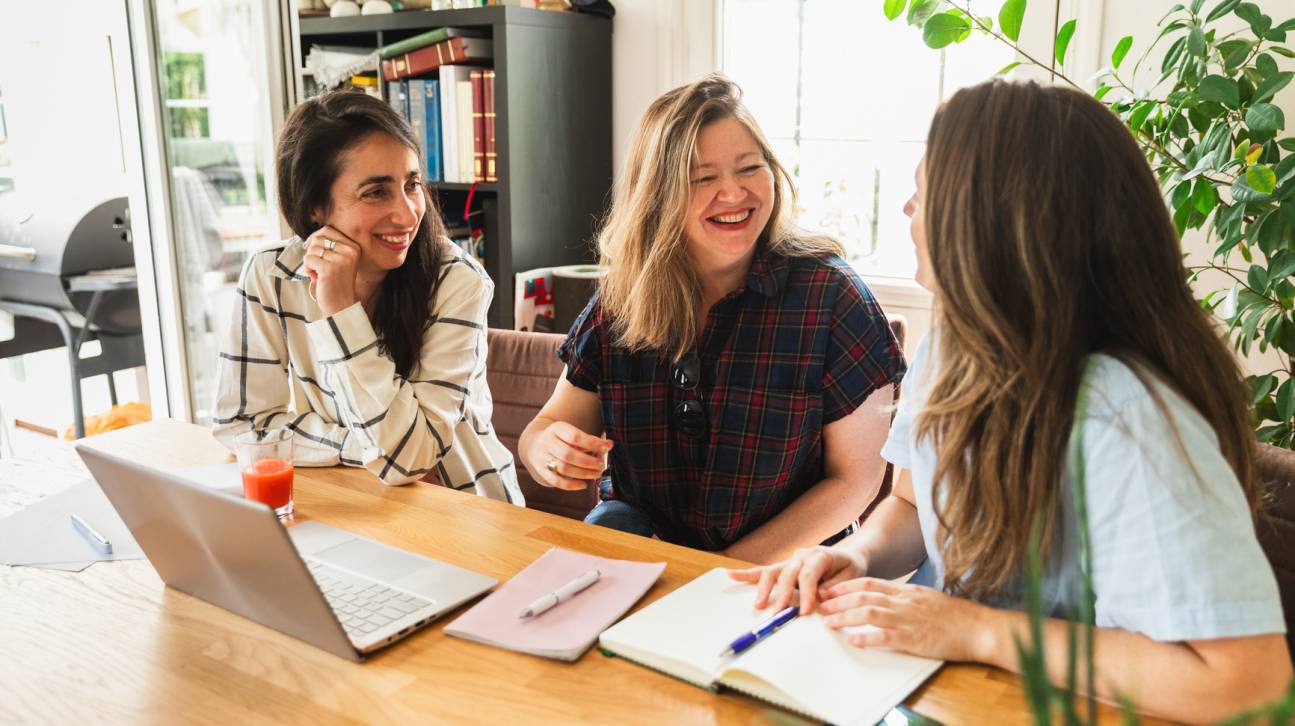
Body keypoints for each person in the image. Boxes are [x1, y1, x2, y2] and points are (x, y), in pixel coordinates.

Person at [731, 79, 1291, 722]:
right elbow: (914, 505)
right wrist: (852, 557)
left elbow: (1251, 685)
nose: (909, 209)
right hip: (931, 688)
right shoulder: (955, 341)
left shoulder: (1125, 415)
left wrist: (975, 631)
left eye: (926, 190)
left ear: (996, 221)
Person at [518, 74, 905, 564]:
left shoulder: (832, 297)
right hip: (637, 551)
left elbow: (855, 481)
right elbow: (544, 428)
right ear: (656, 195)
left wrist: (717, 575)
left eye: (750, 168)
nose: (734, 193)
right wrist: (546, 451)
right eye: (702, 178)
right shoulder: (622, 298)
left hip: (783, 565)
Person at [213, 90, 521, 503]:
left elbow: (409, 459)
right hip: (354, 500)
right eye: (376, 192)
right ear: (315, 209)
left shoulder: (459, 281)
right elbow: (241, 424)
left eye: (411, 184)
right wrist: (360, 446)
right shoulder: (273, 275)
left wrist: (341, 311)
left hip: (464, 509)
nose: (409, 213)